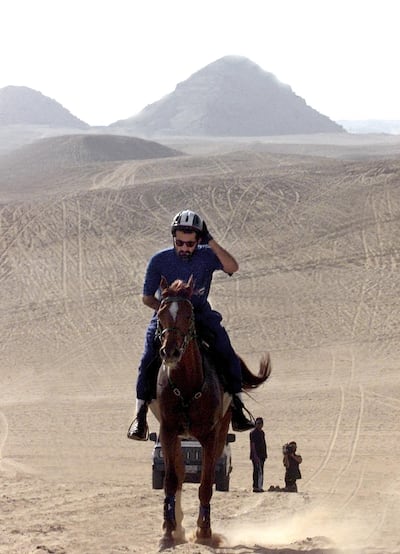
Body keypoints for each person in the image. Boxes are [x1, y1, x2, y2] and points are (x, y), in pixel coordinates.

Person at [127, 209, 255, 440]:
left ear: (198, 241)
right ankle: (140, 416)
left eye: (190, 243)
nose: (185, 248)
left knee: (225, 350)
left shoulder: (206, 255)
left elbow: (232, 267)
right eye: (180, 242)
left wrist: (211, 242)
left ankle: (238, 407)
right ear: (173, 238)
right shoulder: (159, 260)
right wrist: (169, 313)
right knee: (147, 358)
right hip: (167, 315)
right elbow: (147, 297)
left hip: (199, 313)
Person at [249, 417, 267, 492]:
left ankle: (260, 486)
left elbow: (264, 443)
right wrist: (255, 455)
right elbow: (252, 445)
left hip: (262, 455)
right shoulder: (253, 433)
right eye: (257, 423)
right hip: (256, 455)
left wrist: (265, 454)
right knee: (256, 471)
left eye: (260, 423)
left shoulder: (262, 433)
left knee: (261, 470)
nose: (259, 425)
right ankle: (256, 486)